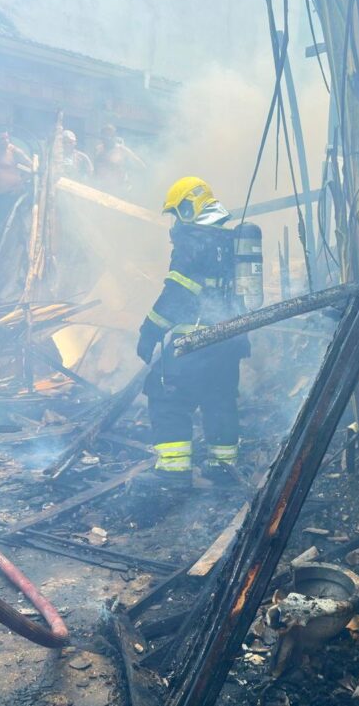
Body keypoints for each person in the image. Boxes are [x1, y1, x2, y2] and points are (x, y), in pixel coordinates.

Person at [136, 177, 249, 485]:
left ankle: (173, 471)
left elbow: (176, 294)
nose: (175, 222)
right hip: (232, 339)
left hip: (198, 338)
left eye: (177, 212)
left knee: (166, 394)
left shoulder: (193, 240)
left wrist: (149, 331)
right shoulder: (230, 242)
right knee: (219, 397)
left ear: (189, 207)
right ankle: (223, 466)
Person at [94, 124, 146, 193]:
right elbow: (95, 168)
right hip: (103, 188)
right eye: (105, 135)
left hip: (120, 189)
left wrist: (132, 179)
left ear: (114, 136)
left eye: (110, 135)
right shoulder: (98, 149)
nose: (108, 138)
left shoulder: (122, 150)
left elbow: (141, 165)